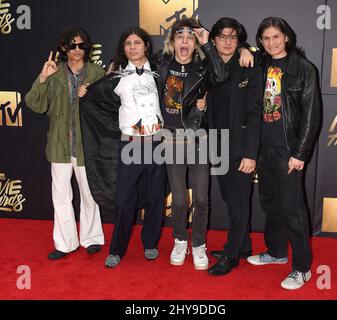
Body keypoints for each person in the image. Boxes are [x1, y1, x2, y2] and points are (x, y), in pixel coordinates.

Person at [153, 18, 254, 270]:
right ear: (172, 41)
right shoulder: (161, 63)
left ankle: (198, 243)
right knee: (177, 200)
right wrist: (113, 67)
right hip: (171, 138)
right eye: (179, 36)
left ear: (196, 41)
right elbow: (135, 61)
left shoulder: (204, 65)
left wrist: (238, 47)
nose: (184, 41)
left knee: (201, 198)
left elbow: (221, 75)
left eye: (190, 36)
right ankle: (179, 240)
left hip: (199, 138)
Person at [80, 27, 168, 268]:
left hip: (157, 143)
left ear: (146, 46)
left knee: (156, 197)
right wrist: (84, 93)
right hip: (130, 144)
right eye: (128, 43)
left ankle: (150, 243)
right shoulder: (116, 78)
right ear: (123, 48)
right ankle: (117, 249)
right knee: (124, 199)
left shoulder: (160, 73)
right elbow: (94, 101)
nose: (132, 47)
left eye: (137, 42)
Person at [247, 17, 321, 290]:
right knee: (271, 205)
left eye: (275, 37)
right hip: (264, 148)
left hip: (289, 150)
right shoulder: (261, 64)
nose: (271, 42)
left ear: (286, 37)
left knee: (293, 209)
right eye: (265, 38)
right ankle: (276, 253)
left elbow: (312, 117)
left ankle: (302, 268)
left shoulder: (303, 69)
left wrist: (300, 153)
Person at [25, 26, 106, 260]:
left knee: (89, 195)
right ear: (64, 48)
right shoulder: (54, 73)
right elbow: (35, 105)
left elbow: (108, 111)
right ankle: (65, 243)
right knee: (60, 196)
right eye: (72, 46)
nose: (77, 50)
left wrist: (89, 96)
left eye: (81, 45)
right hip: (59, 146)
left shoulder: (97, 73)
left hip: (87, 145)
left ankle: (91, 238)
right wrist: (42, 78)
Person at [204, 17, 262, 276]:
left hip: (240, 146)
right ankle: (244, 246)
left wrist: (251, 154)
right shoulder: (207, 65)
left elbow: (255, 113)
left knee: (238, 201)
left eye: (233, 37)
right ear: (213, 40)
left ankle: (231, 253)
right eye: (222, 36)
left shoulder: (249, 64)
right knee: (229, 198)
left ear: (239, 41)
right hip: (217, 143)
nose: (227, 41)